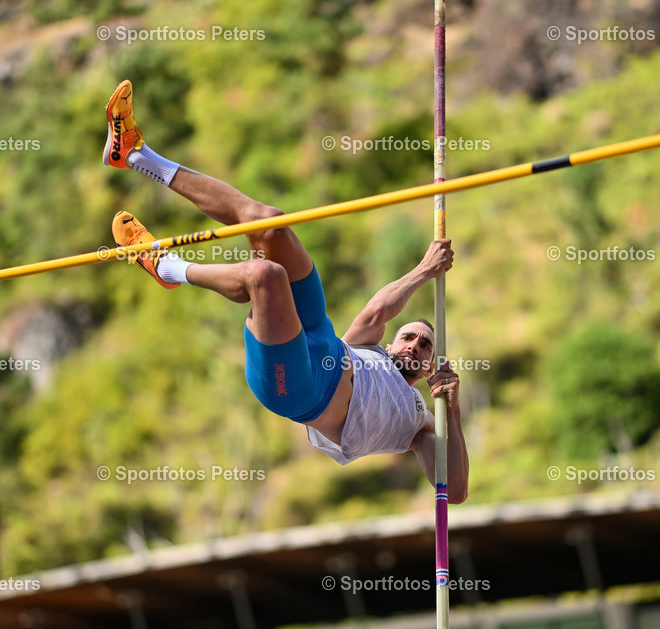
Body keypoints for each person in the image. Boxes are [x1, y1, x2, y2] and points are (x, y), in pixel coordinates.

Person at [102, 80, 469, 503]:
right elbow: (378, 310)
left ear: (429, 370)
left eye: (425, 347)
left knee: (264, 277)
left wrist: (453, 409)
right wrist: (425, 269)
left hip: (301, 388)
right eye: (410, 336)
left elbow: (455, 491)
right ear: (392, 340)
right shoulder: (371, 347)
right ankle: (133, 153)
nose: (416, 346)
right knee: (268, 221)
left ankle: (167, 267)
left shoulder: (419, 423)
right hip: (322, 337)